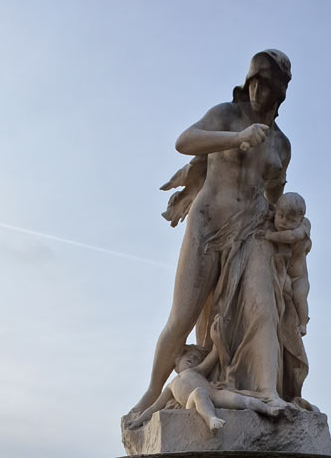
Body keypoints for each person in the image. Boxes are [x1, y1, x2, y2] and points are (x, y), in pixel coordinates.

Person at [127, 50, 294, 420]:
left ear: (278, 95)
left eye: (266, 87)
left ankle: (265, 391)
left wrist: (290, 237)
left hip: (249, 230)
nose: (257, 93)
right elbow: (184, 141)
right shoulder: (227, 116)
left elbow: (276, 197)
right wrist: (235, 139)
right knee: (181, 316)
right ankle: (151, 394)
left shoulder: (282, 145)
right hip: (207, 224)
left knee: (261, 306)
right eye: (253, 83)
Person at [127, 316, 281, 433]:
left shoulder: (197, 371)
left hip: (214, 394)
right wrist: (139, 421)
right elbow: (155, 406)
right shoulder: (171, 386)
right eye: (188, 357)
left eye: (196, 359)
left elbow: (215, 354)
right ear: (176, 362)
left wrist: (216, 337)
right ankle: (211, 418)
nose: (192, 359)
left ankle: (268, 410)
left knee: (242, 400)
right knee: (199, 393)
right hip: (192, 402)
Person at [264, 192, 311, 335]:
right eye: (280, 216)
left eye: (290, 220)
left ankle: (303, 324)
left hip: (299, 277)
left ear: (300, 219)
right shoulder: (275, 217)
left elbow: (291, 237)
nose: (283, 222)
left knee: (300, 298)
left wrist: (269, 236)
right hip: (285, 273)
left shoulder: (303, 227)